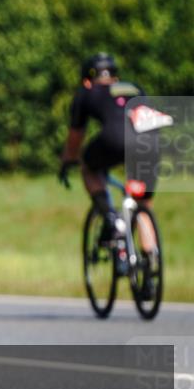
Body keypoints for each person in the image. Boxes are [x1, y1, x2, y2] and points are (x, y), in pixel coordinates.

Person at [58, 53, 159, 279]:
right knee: (143, 204)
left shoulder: (86, 92)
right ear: (115, 76)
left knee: (88, 167)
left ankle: (112, 220)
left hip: (115, 140)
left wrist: (67, 160)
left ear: (87, 80)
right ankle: (150, 266)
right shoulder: (134, 88)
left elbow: (75, 137)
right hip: (151, 142)